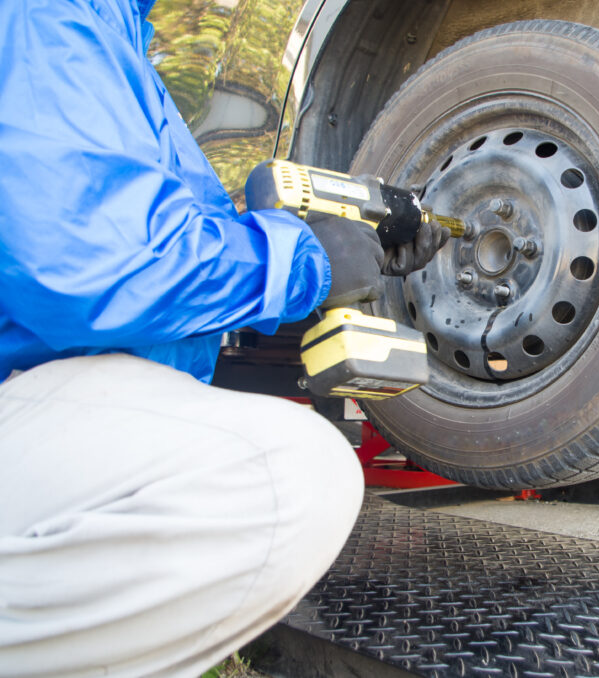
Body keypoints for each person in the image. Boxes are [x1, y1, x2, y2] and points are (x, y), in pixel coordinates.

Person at [0, 1, 448, 676]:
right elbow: (96, 268)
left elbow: (122, 243)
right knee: (286, 476)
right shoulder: (44, 16)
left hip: (39, 393)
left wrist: (334, 248)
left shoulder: (110, 30)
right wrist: (306, 262)